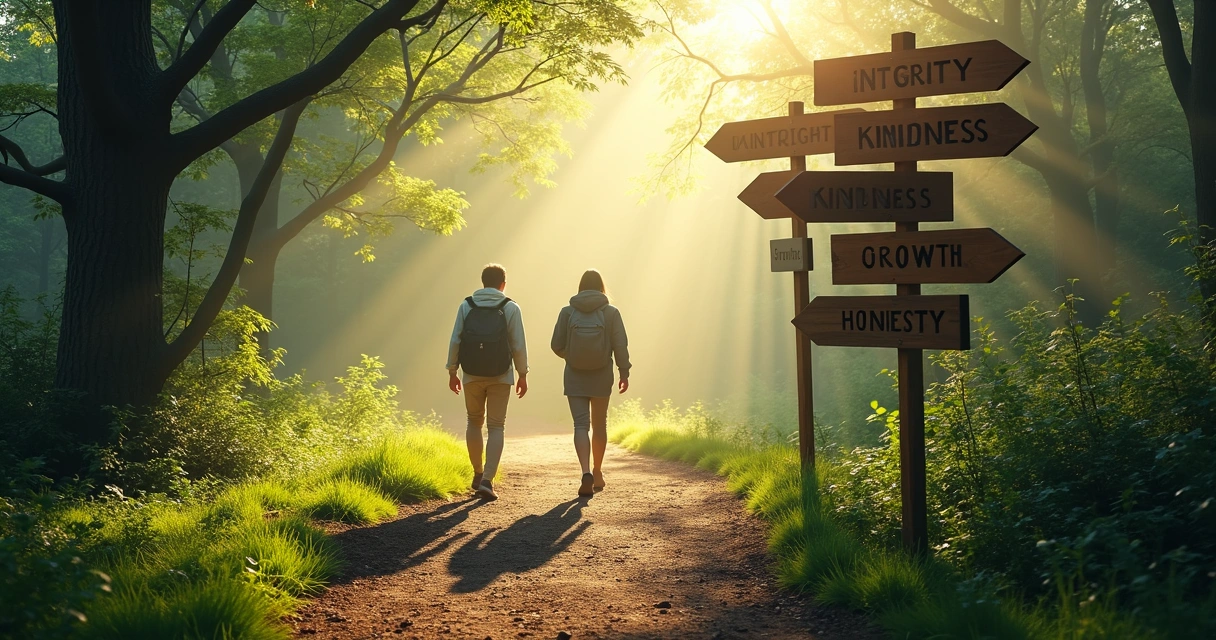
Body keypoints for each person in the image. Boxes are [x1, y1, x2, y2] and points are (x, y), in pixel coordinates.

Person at [447, 263, 529, 501]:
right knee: (496, 426)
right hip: (501, 374)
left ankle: (477, 472)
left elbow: (456, 340)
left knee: (473, 421)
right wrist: (522, 373)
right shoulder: (510, 307)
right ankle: (487, 480)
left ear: (483, 282)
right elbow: (518, 344)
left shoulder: (467, 305)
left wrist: (452, 371)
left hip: (471, 373)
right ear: (503, 284)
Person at [551, 269, 631, 497]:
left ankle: (585, 470)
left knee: (580, 425)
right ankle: (597, 471)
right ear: (602, 288)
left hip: (574, 375)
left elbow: (556, 345)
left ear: (580, 287)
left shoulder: (567, 312)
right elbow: (620, 345)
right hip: (602, 374)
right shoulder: (611, 313)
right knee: (600, 424)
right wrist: (624, 372)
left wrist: (572, 356)